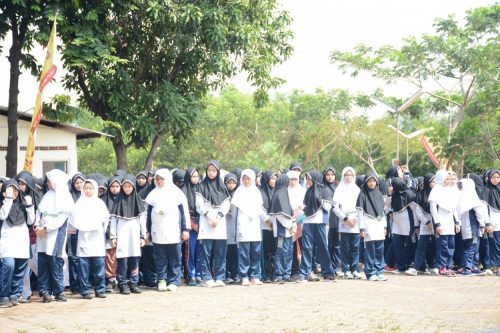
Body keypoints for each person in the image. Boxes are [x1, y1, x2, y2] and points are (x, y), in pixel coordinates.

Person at [145, 169, 190, 292]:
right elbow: (147, 214)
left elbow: (184, 212)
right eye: (157, 179)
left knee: (175, 257)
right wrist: (147, 230)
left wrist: (185, 229)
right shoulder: (152, 195)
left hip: (173, 230)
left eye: (162, 179)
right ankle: (162, 280)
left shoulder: (177, 194)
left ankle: (174, 281)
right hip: (157, 231)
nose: (159, 182)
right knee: (160, 257)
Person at [35, 169, 74, 303]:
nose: (48, 183)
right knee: (43, 261)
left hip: (55, 233)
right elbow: (39, 212)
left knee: (55, 261)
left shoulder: (65, 197)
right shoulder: (47, 195)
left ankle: (58, 291)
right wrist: (37, 226)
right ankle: (44, 290)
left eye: (50, 180)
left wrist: (46, 228)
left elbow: (61, 219)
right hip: (42, 234)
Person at [70, 179, 109, 299]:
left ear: (95, 189)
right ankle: (85, 291)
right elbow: (73, 222)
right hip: (83, 238)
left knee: (99, 265)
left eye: (90, 188)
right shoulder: (78, 204)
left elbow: (105, 220)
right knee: (83, 267)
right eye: (86, 188)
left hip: (96, 238)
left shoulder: (99, 204)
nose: (88, 190)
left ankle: (100, 289)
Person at [195, 160, 231, 287]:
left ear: (218, 172)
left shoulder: (222, 188)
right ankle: (207, 278)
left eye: (214, 170)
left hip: (220, 223)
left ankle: (220, 277)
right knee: (205, 252)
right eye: (209, 170)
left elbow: (226, 205)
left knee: (220, 251)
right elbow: (199, 205)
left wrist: (218, 217)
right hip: (206, 222)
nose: (211, 173)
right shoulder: (201, 187)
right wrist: (210, 217)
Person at [109, 175, 147, 294]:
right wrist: (113, 236)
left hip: (134, 235)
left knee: (134, 259)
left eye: (129, 186)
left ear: (133, 187)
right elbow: (114, 221)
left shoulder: (138, 201)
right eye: (125, 186)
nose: (127, 189)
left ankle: (134, 283)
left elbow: (142, 221)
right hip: (121, 234)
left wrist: (142, 236)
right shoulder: (118, 201)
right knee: (122, 260)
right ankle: (122, 283)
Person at [0, 180, 35, 307]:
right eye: (9, 189)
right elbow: (3, 215)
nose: (13, 192)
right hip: (7, 242)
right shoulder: (3, 204)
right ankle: (3, 296)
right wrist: (8, 199)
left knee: (20, 269)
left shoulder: (22, 204)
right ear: (3, 192)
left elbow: (31, 221)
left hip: (21, 242)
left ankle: (15, 295)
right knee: (8, 266)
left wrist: (30, 206)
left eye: (15, 190)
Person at [296, 170, 336, 282]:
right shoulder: (308, 191)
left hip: (320, 222)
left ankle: (328, 273)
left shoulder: (325, 190)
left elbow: (328, 207)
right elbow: (305, 205)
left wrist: (319, 200)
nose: (307, 181)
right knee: (307, 247)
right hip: (308, 221)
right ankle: (304, 273)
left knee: (323, 247)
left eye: (309, 178)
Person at [231, 169, 268, 286]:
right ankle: (244, 276)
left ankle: (255, 275)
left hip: (254, 225)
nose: (246, 181)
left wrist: (267, 220)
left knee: (256, 252)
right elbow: (234, 211)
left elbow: (260, 209)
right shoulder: (238, 192)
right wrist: (236, 225)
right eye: (244, 178)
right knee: (244, 253)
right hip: (243, 225)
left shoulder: (256, 192)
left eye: (249, 179)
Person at [429, 170, 460, 276]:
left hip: (450, 222)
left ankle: (448, 266)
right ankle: (441, 266)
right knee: (443, 245)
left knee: (451, 245)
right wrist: (437, 224)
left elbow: (454, 208)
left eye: (449, 179)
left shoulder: (450, 190)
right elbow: (433, 209)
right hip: (441, 221)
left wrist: (457, 222)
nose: (448, 181)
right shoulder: (436, 190)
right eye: (446, 179)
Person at [357, 174, 387, 281]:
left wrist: (384, 226)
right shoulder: (362, 194)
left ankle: (379, 271)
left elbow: (382, 212)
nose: (372, 183)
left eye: (374, 181)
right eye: (369, 181)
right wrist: (362, 228)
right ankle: (370, 272)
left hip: (378, 224)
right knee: (370, 250)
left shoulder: (378, 194)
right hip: (368, 224)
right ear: (366, 182)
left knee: (379, 249)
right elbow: (360, 213)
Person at [333, 167, 361, 279]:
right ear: (343, 176)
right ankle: (346, 270)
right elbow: (335, 208)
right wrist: (345, 218)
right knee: (345, 247)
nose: (348, 177)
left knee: (355, 247)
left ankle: (354, 269)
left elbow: (360, 207)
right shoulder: (339, 190)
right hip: (344, 222)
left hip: (355, 222)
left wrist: (355, 219)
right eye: (346, 175)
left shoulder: (357, 190)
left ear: (354, 176)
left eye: (350, 175)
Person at [406, 173, 436, 275]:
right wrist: (426, 222)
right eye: (432, 181)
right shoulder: (420, 195)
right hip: (425, 224)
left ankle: (433, 266)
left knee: (434, 246)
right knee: (421, 247)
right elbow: (418, 212)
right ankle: (416, 267)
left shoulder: (438, 193)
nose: (434, 183)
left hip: (437, 224)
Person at [269, 174, 297, 283]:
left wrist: (294, 223)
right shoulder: (278, 195)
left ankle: (286, 274)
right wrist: (290, 226)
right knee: (280, 252)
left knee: (289, 252)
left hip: (289, 230)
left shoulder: (285, 194)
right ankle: (278, 275)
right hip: (282, 231)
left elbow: (291, 211)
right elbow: (279, 215)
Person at [457, 178, 487, 275]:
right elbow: (479, 213)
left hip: (465, 228)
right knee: (472, 247)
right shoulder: (473, 197)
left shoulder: (461, 197)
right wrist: (482, 224)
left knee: (468, 247)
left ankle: (470, 266)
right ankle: (467, 268)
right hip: (473, 227)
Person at [387, 177, 416, 273]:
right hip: (396, 223)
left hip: (407, 222)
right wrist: (389, 194)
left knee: (408, 245)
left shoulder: (409, 193)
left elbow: (414, 210)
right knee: (397, 244)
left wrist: (415, 225)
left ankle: (408, 264)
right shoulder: (393, 194)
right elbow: (388, 205)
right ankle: (400, 266)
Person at [67, 172, 86, 295]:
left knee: (84, 257)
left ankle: (85, 282)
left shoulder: (88, 195)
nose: (79, 185)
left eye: (81, 182)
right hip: (72, 230)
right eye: (76, 183)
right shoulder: (70, 196)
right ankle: (74, 284)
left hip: (85, 230)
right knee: (73, 257)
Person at [183, 167, 202, 286]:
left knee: (200, 251)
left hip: (203, 223)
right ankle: (191, 275)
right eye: (193, 176)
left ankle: (199, 273)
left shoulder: (201, 188)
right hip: (190, 225)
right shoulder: (184, 191)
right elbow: (183, 211)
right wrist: (192, 224)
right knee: (190, 251)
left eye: (197, 176)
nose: (195, 179)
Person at [102, 175, 121, 292]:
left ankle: (123, 278)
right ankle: (111, 279)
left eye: (117, 186)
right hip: (109, 233)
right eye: (112, 186)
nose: (114, 189)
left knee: (122, 256)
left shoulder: (124, 199)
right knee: (110, 257)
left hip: (123, 232)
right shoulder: (104, 200)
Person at [260, 170, 278, 283]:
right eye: (272, 178)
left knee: (275, 251)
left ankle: (274, 273)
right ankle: (266, 274)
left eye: (276, 179)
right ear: (267, 179)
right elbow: (259, 209)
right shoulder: (260, 193)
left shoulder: (278, 192)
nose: (274, 181)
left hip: (277, 225)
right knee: (266, 252)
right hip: (265, 226)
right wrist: (268, 221)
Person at [323, 166, 341, 276]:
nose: (330, 177)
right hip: (326, 220)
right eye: (328, 175)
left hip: (337, 219)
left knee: (336, 245)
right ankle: (327, 267)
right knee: (327, 245)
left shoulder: (338, 188)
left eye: (332, 175)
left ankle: (335, 266)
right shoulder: (321, 187)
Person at [483, 169, 500, 276]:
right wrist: (487, 223)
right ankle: (497, 266)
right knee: (496, 245)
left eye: (498, 177)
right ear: (489, 178)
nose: (496, 180)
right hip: (493, 222)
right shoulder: (486, 190)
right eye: (493, 177)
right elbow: (484, 209)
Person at [224, 173, 239, 284]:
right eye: (229, 183)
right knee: (226, 253)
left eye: (233, 183)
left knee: (236, 253)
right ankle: (227, 274)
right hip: (225, 227)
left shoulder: (239, 195)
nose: (231, 185)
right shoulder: (222, 194)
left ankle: (235, 274)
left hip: (236, 226)